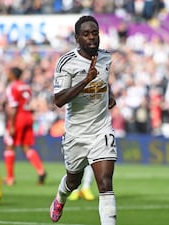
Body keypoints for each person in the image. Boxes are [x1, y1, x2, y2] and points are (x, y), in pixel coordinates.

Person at [50, 15, 118, 225]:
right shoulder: (66, 62)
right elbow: (59, 100)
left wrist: (110, 94)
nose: (91, 38)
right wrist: (84, 81)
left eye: (95, 33)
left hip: (101, 129)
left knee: (105, 183)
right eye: (86, 34)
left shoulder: (106, 57)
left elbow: (103, 80)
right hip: (76, 134)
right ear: (77, 37)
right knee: (73, 181)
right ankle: (60, 198)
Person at [3, 67, 47, 186]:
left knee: (9, 146)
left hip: (18, 118)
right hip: (28, 116)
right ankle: (40, 170)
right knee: (26, 146)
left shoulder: (12, 87)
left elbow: (14, 107)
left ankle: (10, 178)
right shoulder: (26, 86)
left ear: (12, 74)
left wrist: (11, 125)